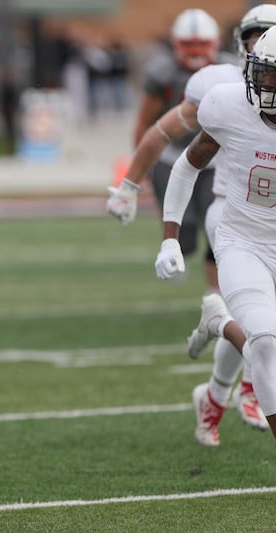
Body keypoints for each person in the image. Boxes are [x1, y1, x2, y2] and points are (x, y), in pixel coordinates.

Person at [109, 4, 276, 445]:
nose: (266, 80)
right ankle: (241, 385)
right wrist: (137, 197)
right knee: (265, 339)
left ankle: (218, 349)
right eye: (258, 37)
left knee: (262, 335)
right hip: (237, 221)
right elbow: (172, 147)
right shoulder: (223, 94)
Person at [131, 8, 233, 295]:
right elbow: (145, 123)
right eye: (189, 44)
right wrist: (137, 172)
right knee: (184, 232)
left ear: (215, 44)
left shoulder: (232, 70)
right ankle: (178, 250)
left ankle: (215, 291)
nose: (196, 50)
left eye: (202, 43)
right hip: (172, 154)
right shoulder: (162, 74)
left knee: (218, 224)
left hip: (216, 159)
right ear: (176, 44)